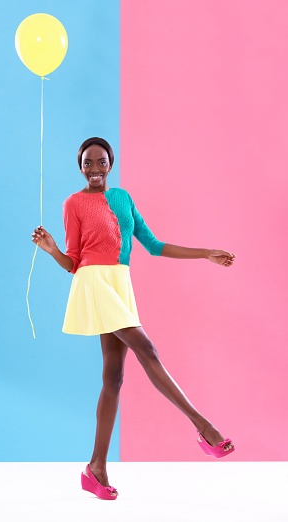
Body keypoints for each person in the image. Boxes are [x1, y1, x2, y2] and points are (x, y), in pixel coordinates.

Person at [31, 137, 236, 500]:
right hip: (94, 282)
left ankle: (95, 468)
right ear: (79, 166)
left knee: (113, 378)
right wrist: (52, 251)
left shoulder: (124, 198)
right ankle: (204, 427)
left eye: (101, 162)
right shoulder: (73, 203)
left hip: (120, 283)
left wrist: (206, 253)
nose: (94, 169)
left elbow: (154, 245)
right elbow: (74, 262)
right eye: (87, 163)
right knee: (147, 348)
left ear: (111, 164)